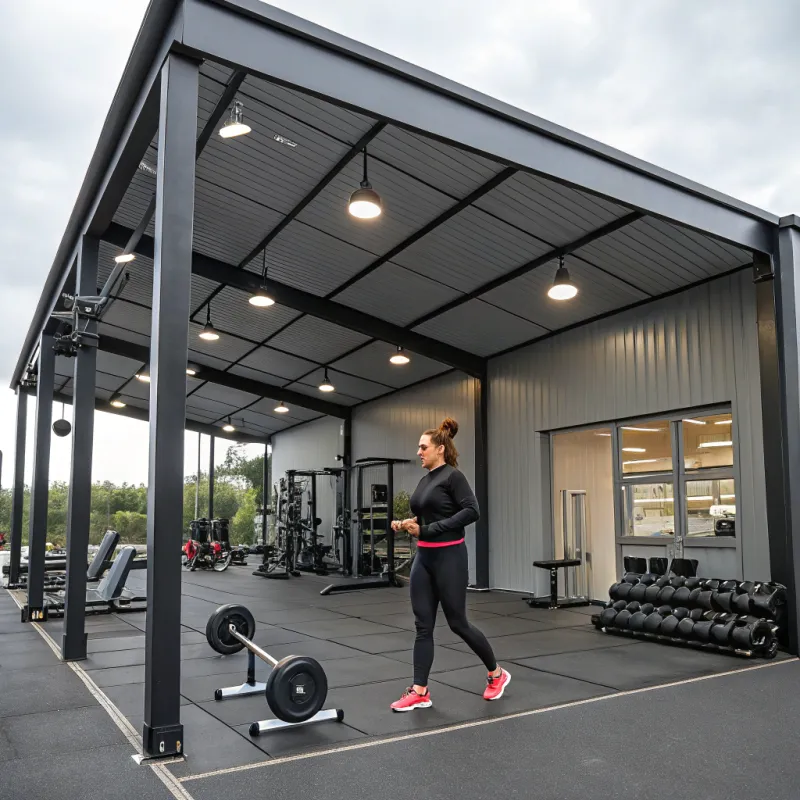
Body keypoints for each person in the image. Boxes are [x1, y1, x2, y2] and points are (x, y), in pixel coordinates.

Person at [389, 417, 510, 711]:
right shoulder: (425, 479)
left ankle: (496, 674)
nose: (418, 452)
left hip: (449, 557)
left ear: (440, 449)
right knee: (422, 627)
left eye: (423, 447)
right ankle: (420, 690)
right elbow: (428, 515)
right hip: (424, 559)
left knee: (458, 623)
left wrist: (428, 530)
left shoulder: (454, 477)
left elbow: (472, 511)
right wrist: (409, 523)